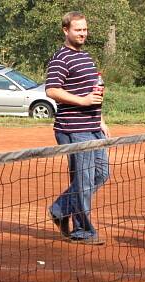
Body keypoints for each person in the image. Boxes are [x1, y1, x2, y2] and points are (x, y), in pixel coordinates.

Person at [45, 11, 110, 245]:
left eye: (84, 29)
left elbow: (94, 90)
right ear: (66, 30)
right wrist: (83, 102)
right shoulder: (61, 58)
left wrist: (100, 119)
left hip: (92, 127)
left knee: (102, 173)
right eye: (78, 29)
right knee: (82, 180)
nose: (83, 33)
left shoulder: (86, 57)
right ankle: (82, 230)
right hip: (72, 128)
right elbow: (52, 90)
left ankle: (59, 209)